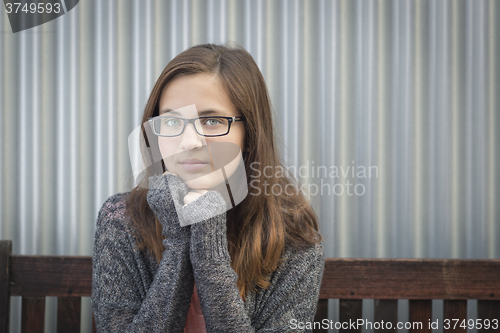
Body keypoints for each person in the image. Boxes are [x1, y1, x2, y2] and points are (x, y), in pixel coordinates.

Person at [91, 43, 324, 333]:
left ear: (249, 135)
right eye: (172, 121)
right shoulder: (121, 220)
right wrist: (178, 242)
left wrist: (209, 248)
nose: (189, 142)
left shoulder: (292, 233)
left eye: (212, 120)